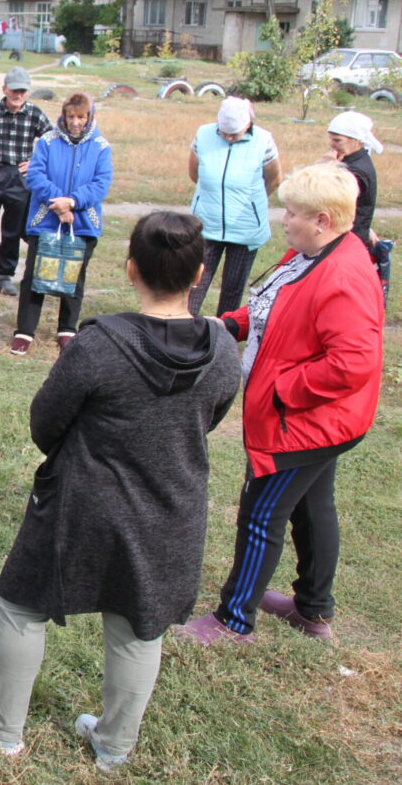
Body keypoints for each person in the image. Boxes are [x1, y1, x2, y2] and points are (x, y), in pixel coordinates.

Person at [0, 211, 241, 773]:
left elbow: (46, 421)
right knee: (139, 620)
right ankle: (114, 744)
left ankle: (1, 728)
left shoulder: (100, 344)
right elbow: (210, 416)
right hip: (172, 508)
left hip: (84, 501)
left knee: (21, 602)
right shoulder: (223, 351)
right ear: (199, 273)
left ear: (130, 269)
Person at [177, 164, 383, 645]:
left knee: (261, 514)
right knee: (312, 508)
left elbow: (352, 363)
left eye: (292, 213)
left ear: (323, 220)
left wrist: (281, 389)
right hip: (322, 423)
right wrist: (232, 324)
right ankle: (313, 610)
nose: (283, 219)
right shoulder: (312, 253)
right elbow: (279, 304)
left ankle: (234, 620)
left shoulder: (344, 275)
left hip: (306, 424)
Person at [10, 92, 112, 356]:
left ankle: (67, 329)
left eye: (81, 117)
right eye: (70, 116)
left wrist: (73, 202)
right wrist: (59, 203)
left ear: (90, 117)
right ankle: (24, 331)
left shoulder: (101, 146)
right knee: (34, 275)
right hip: (46, 219)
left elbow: (101, 183)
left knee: (74, 275)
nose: (75, 122)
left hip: (82, 223)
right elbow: (35, 175)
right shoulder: (47, 141)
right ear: (63, 116)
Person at [186, 97, 282, 315]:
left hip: (245, 228)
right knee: (195, 284)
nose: (228, 137)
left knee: (232, 288)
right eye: (224, 132)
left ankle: (224, 337)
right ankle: (184, 333)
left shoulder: (264, 140)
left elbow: (274, 179)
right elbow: (194, 173)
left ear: (248, 125)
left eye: (234, 133)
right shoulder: (203, 134)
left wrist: (250, 202)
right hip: (207, 224)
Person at [0, 66, 53, 293]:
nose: (18, 95)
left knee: (13, 230)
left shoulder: (34, 114)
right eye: (14, 90)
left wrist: (36, 163)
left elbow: (53, 142)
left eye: (23, 91)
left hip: (20, 178)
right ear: (5, 89)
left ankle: (4, 275)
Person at [324, 110, 382, 250]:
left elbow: (325, 201)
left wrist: (325, 169)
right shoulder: (353, 161)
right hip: (349, 236)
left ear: (355, 140)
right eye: (331, 139)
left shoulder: (356, 172)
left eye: (337, 140)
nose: (332, 144)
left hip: (345, 241)